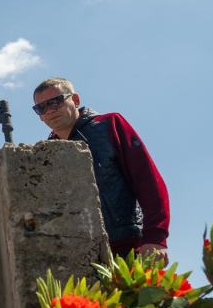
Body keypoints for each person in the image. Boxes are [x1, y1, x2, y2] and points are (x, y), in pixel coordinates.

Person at [33, 77, 170, 262]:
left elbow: (147, 180)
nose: (50, 111)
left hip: (129, 250)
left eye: (55, 102)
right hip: (78, 258)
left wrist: (155, 237)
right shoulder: (46, 154)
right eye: (41, 108)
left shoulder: (110, 124)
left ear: (75, 100)